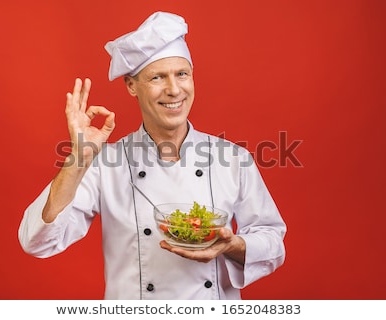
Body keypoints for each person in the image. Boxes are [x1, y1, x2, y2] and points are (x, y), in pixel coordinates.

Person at [18, 11, 286, 300]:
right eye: (157, 77)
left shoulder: (234, 159)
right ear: (131, 86)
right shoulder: (106, 164)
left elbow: (272, 239)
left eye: (182, 74)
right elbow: (37, 242)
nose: (174, 90)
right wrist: (79, 159)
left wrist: (231, 245)